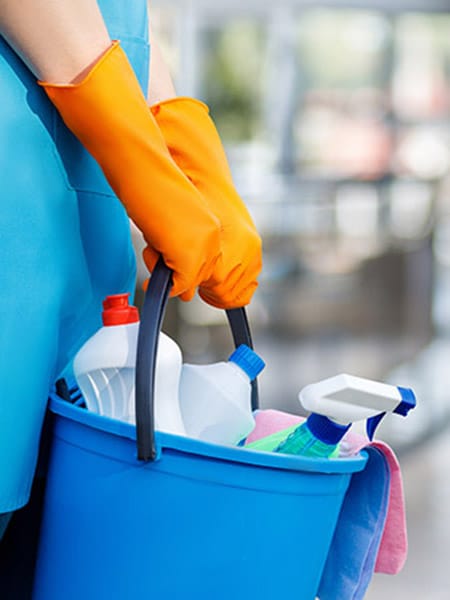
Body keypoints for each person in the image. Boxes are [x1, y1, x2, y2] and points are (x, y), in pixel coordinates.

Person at [0, 0, 262, 540]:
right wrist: (142, 161)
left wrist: (187, 153)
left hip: (85, 276)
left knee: (66, 536)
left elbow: (119, 22)